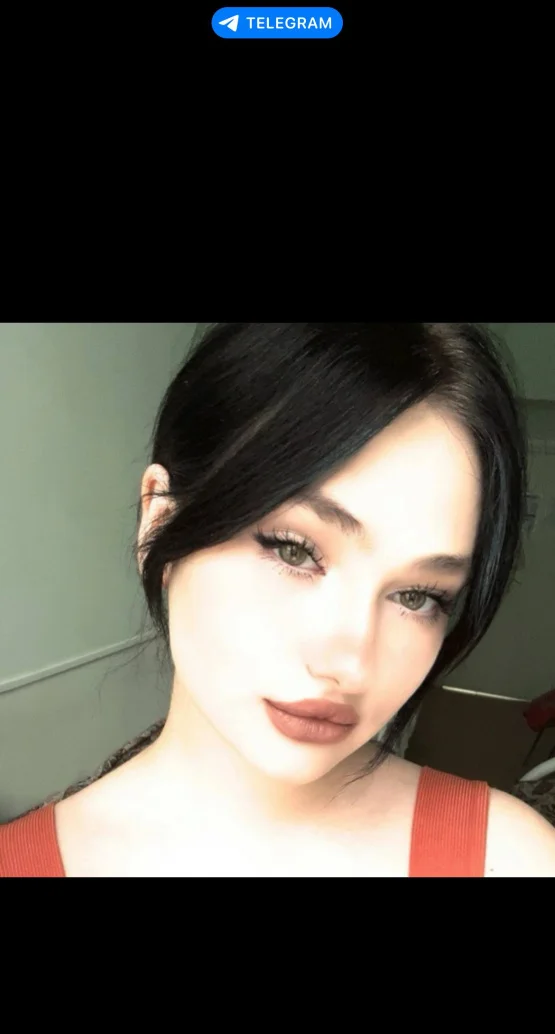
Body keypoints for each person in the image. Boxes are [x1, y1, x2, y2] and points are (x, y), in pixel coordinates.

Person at [2, 321, 555, 877]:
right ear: (159, 522)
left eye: (418, 596)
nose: (349, 665)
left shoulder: (513, 859)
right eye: (294, 550)